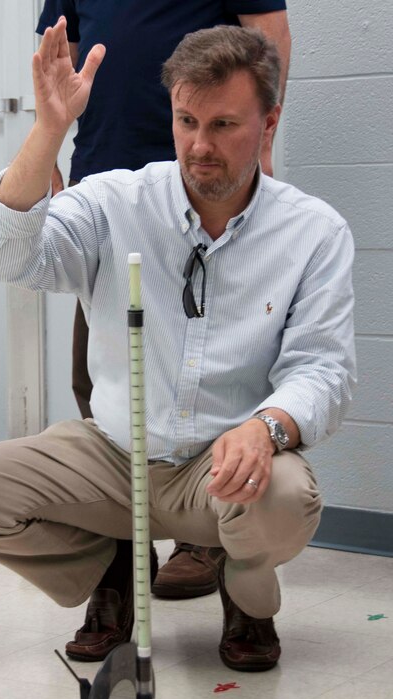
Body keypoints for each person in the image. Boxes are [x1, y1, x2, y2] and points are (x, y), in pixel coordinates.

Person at [0, 20, 356, 672]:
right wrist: (49, 130)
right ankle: (113, 571)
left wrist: (266, 428)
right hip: (115, 454)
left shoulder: (313, 232)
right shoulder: (115, 200)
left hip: (223, 470)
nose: (199, 145)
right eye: (186, 121)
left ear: (268, 126)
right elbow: (3, 255)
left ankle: (248, 598)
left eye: (223, 126)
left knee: (287, 497)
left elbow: (323, 367)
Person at [36, 0, 292, 601]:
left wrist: (257, 148)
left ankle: (206, 532)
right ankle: (119, 552)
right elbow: (60, 59)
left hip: (203, 177)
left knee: (212, 366)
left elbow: (269, 37)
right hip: (104, 173)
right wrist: (45, 148)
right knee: (101, 377)